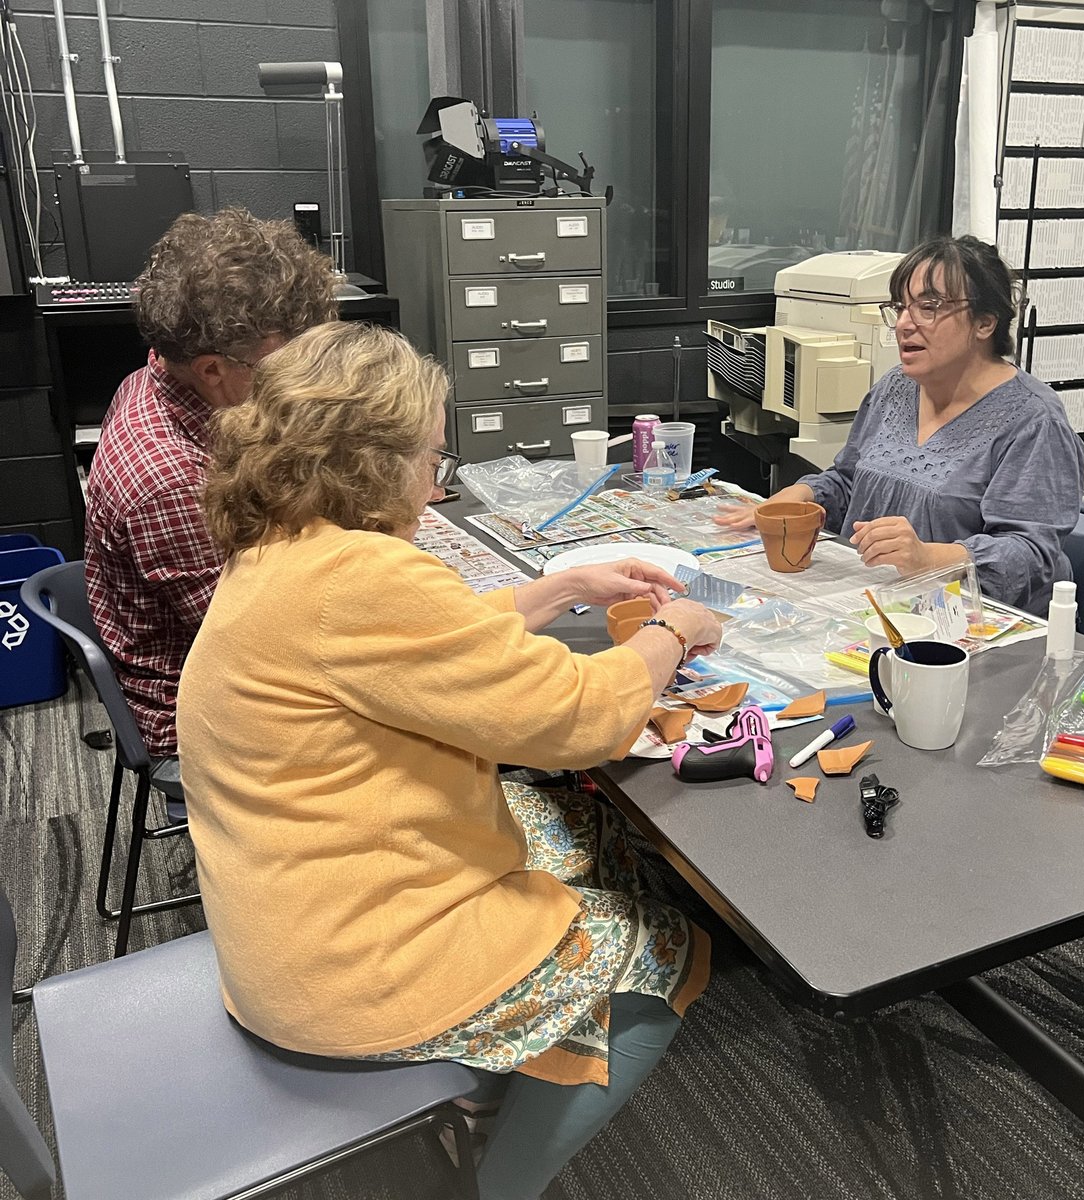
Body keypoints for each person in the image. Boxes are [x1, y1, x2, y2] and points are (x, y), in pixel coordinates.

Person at [175, 321, 722, 1200]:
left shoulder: (286, 546)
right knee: (658, 954)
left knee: (569, 821)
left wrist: (560, 588)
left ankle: (496, 1077)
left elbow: (417, 647)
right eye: (433, 460)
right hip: (346, 974)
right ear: (371, 462)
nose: (437, 485)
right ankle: (497, 1187)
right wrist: (674, 630)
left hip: (284, 925)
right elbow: (581, 718)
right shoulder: (361, 576)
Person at [85, 207, 338, 771]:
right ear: (212, 369)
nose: (304, 377)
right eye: (284, 363)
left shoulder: (164, 377)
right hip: (206, 717)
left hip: (236, 654)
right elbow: (267, 641)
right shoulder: (169, 480)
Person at [715, 235, 1084, 616]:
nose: (905, 324)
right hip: (877, 603)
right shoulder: (897, 388)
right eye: (901, 308)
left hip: (968, 626)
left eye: (929, 307)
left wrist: (927, 558)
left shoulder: (1032, 420)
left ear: (985, 322)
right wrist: (802, 496)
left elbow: (1029, 555)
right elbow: (848, 481)